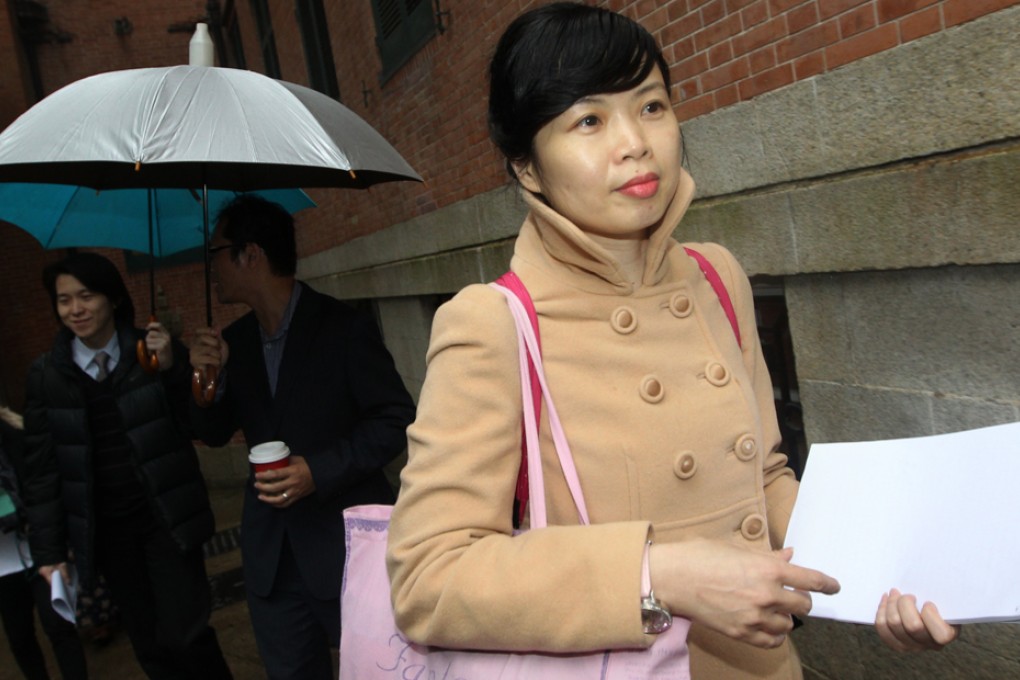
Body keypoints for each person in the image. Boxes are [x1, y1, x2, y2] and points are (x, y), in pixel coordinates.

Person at [385, 4, 959, 679]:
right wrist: (657, 575)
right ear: (527, 167)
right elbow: (428, 578)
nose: (635, 142)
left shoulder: (717, 277)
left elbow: (764, 477)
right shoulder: (492, 322)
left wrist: (876, 582)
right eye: (589, 120)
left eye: (651, 106)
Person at [188, 195, 416, 680]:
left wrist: (319, 470)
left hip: (346, 549)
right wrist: (207, 380)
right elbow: (211, 432)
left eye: (216, 252)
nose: (212, 267)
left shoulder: (343, 328)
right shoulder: (235, 343)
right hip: (271, 561)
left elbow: (395, 418)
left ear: (251, 254)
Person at [19, 252, 232, 680]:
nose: (75, 309)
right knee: (148, 643)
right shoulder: (46, 376)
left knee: (186, 635)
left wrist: (174, 370)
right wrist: (49, 552)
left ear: (113, 298)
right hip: (107, 533)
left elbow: (202, 427)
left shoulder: (152, 353)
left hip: (165, 519)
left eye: (86, 296)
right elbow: (41, 470)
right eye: (64, 300)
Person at [1, 406, 89, 680]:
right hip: (4, 563)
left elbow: (42, 485)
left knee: (59, 626)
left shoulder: (14, 435)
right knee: (19, 635)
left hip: (39, 545)